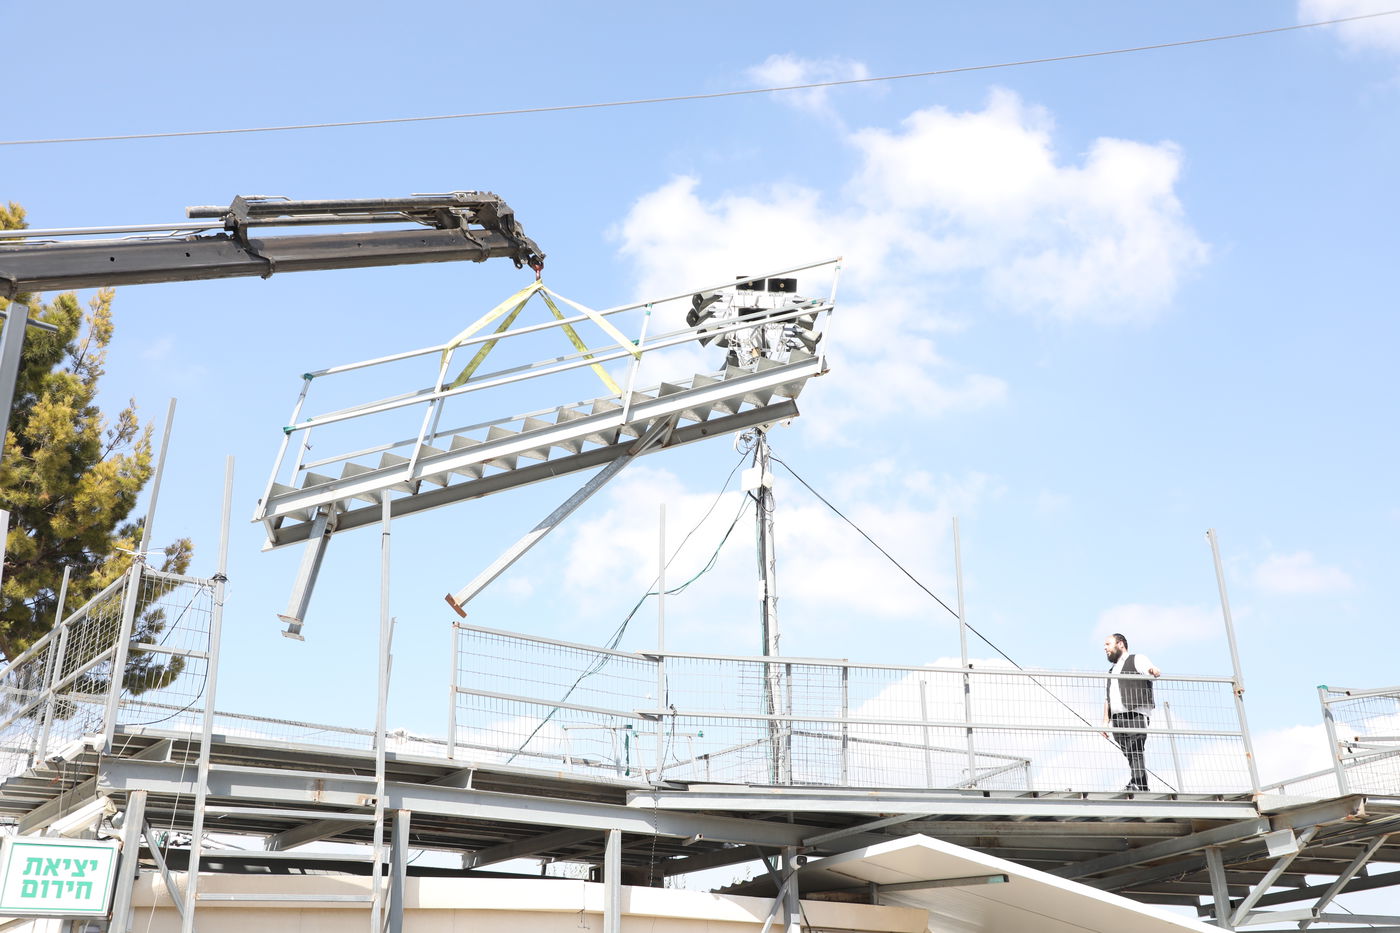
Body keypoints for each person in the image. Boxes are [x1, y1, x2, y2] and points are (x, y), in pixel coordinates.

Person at [1101, 633, 1161, 792]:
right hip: (1117, 719)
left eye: (1108, 644)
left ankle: (1139, 785)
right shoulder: (1111, 671)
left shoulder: (1136, 659)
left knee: (1135, 750)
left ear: (1120, 644)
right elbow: (1108, 698)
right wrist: (1105, 722)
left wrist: (1153, 670)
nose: (1105, 648)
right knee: (1130, 752)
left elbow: (1150, 670)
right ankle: (1140, 784)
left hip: (1135, 713)